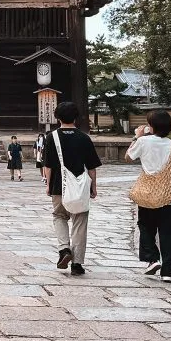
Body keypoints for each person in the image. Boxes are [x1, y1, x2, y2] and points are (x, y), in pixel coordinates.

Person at [126, 109, 171, 283]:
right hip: (168, 197)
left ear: (151, 126)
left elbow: (128, 157)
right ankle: (168, 272)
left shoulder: (143, 142)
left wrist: (136, 136)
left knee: (145, 226)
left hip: (147, 194)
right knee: (167, 234)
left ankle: (152, 258)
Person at [43, 102, 101, 276]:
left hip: (59, 185)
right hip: (80, 186)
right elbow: (91, 167)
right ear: (76, 117)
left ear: (57, 118)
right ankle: (77, 263)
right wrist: (93, 187)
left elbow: (48, 165)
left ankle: (64, 250)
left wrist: (48, 184)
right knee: (80, 221)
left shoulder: (51, 137)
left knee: (59, 216)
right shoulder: (84, 138)